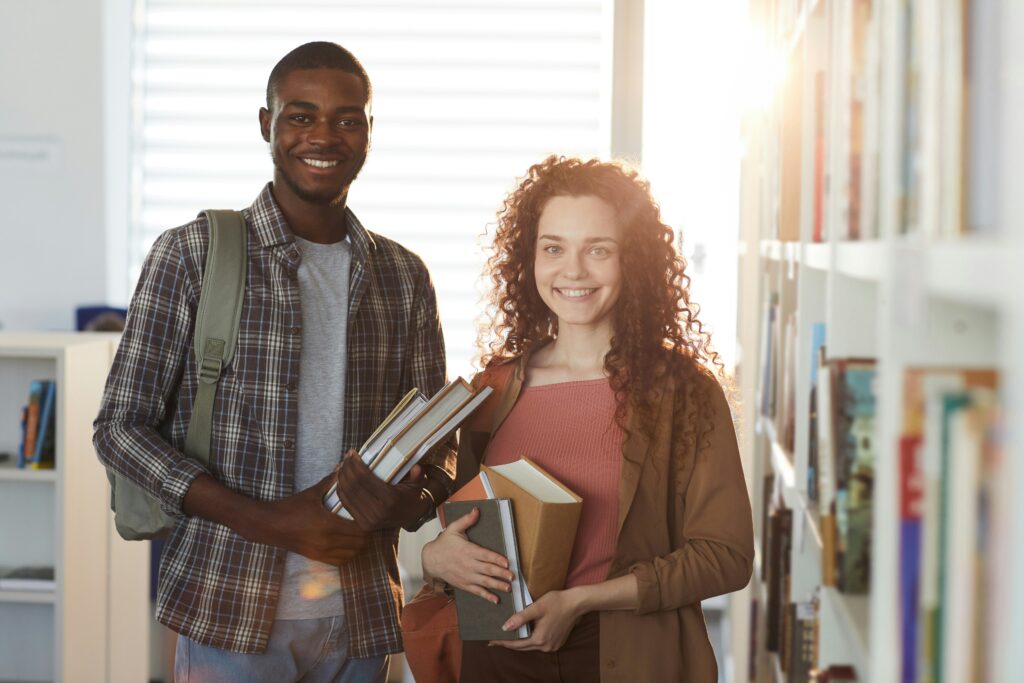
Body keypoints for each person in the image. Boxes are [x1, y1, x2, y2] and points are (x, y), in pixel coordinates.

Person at [94, 42, 454, 683]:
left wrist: (408, 504)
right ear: (267, 124)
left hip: (361, 618)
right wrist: (271, 522)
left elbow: (439, 446)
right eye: (301, 115)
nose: (324, 135)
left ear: (369, 132)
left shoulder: (403, 276)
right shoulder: (193, 255)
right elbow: (120, 428)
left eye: (347, 119)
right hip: (228, 615)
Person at [420, 155, 754, 681]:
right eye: (553, 248)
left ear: (633, 259)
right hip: (495, 659)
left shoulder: (683, 392)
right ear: (529, 258)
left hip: (620, 657)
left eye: (598, 249)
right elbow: (464, 531)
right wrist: (435, 558)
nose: (573, 271)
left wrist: (581, 601)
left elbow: (725, 556)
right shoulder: (493, 388)